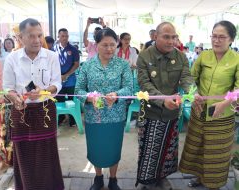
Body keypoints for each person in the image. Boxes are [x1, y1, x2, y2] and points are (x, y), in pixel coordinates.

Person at [3, 18, 64, 190]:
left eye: (39, 35)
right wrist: (14, 98)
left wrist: (44, 91)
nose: (37, 40)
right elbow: (7, 88)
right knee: (24, 152)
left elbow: (57, 84)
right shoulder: (12, 59)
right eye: (31, 36)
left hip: (45, 110)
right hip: (20, 111)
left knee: (46, 152)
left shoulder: (51, 56)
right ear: (20, 37)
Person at [179, 20, 239, 190]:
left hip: (222, 114)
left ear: (231, 39)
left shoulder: (236, 60)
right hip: (200, 110)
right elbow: (190, 78)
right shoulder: (204, 56)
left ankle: (214, 184)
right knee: (198, 146)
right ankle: (199, 177)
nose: (216, 40)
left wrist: (226, 102)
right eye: (214, 36)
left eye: (222, 37)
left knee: (216, 152)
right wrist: (194, 93)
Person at [135, 22, 193, 188]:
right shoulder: (145, 56)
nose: (170, 41)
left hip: (172, 113)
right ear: (155, 37)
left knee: (168, 149)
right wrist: (162, 100)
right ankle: (147, 180)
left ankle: (162, 177)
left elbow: (186, 78)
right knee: (149, 150)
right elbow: (144, 84)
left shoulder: (180, 57)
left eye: (173, 37)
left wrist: (192, 93)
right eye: (166, 37)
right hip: (150, 112)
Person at [75, 28, 133, 190]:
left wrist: (117, 94)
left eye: (113, 45)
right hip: (94, 116)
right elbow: (78, 90)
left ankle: (113, 179)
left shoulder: (123, 65)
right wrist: (89, 97)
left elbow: (129, 88)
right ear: (97, 45)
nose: (109, 49)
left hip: (116, 116)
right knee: (96, 148)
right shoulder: (87, 66)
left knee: (114, 147)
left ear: (117, 45)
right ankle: (98, 178)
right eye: (105, 45)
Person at [53, 28, 79, 127]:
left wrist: (66, 75)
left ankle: (72, 120)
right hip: (58, 79)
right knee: (59, 99)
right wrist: (58, 76)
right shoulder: (54, 49)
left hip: (70, 79)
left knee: (71, 100)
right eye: (62, 36)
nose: (65, 38)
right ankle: (61, 117)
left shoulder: (73, 49)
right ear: (58, 37)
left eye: (66, 36)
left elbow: (76, 64)